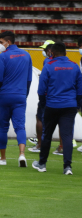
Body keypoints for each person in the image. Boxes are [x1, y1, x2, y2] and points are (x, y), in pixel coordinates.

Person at [32, 42, 82, 175]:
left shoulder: (48, 66)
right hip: (69, 105)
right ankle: (67, 166)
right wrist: (76, 104)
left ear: (52, 53)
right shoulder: (74, 66)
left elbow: (41, 89)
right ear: (66, 53)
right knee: (67, 136)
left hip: (52, 105)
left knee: (47, 135)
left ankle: (42, 164)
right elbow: (79, 89)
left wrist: (43, 103)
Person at [0, 31, 32, 167]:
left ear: (7, 42)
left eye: (0, 42)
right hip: (20, 95)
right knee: (20, 126)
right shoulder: (27, 55)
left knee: (3, 127)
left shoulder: (2, 57)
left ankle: (3, 158)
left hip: (4, 95)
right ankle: (22, 154)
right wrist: (24, 94)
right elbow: (29, 79)